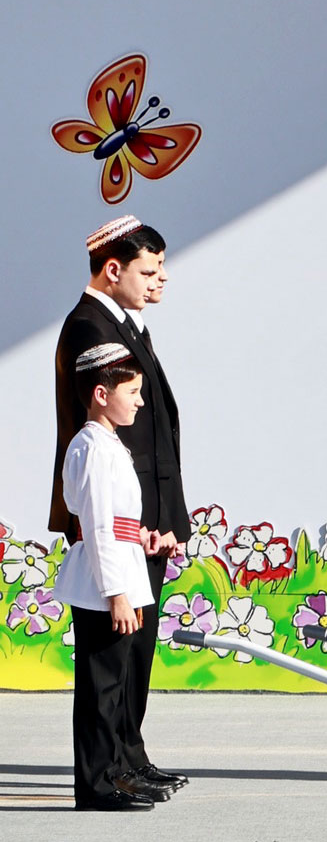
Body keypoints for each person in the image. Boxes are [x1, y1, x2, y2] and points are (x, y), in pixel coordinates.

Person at [50, 215, 189, 795]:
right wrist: (150, 522)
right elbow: (125, 438)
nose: (161, 281)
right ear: (113, 270)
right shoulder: (92, 327)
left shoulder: (125, 324)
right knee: (112, 657)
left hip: (141, 521)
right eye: (149, 271)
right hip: (122, 524)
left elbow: (156, 428)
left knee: (135, 651)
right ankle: (109, 771)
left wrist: (167, 516)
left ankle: (128, 758)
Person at [53, 345, 171, 810]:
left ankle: (116, 773)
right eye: (132, 391)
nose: (140, 401)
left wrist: (144, 537)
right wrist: (116, 594)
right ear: (102, 394)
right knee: (100, 688)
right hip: (105, 582)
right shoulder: (91, 448)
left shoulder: (108, 445)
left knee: (116, 684)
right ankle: (96, 785)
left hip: (121, 568)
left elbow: (115, 521)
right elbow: (98, 524)